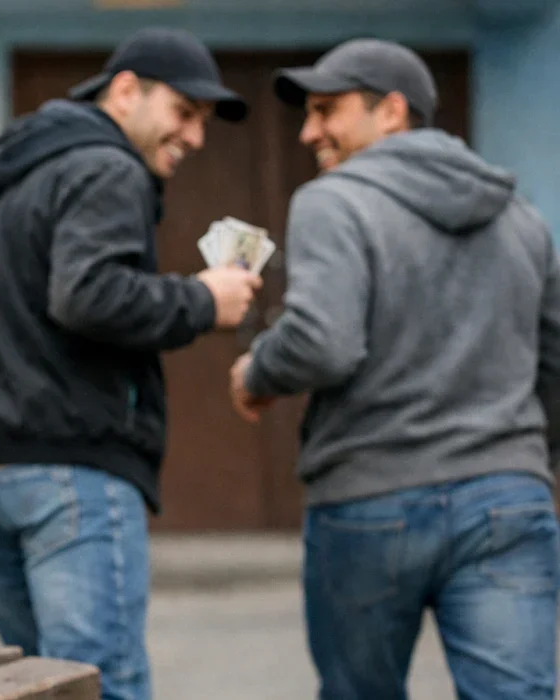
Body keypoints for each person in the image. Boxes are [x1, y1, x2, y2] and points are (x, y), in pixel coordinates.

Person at [0, 27, 260, 700]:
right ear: (126, 91)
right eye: (184, 114)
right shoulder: (108, 166)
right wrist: (202, 300)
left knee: (43, 686)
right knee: (100, 685)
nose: (195, 138)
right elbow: (90, 294)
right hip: (73, 469)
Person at [230, 39, 560, 700]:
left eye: (328, 110)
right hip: (505, 497)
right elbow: (554, 361)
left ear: (393, 112)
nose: (308, 131)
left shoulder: (334, 202)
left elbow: (323, 342)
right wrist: (520, 461)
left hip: (370, 498)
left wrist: (257, 370)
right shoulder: (522, 217)